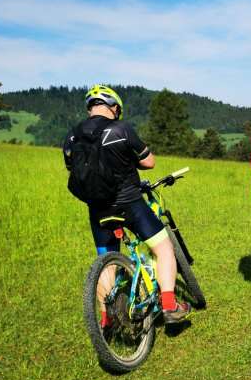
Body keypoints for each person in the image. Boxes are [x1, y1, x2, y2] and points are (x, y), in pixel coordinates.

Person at [63, 85, 189, 325]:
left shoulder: (72, 136)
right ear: (113, 107)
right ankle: (169, 305)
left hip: (97, 209)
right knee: (164, 248)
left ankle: (106, 320)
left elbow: (73, 169)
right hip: (130, 203)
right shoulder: (121, 129)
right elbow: (149, 162)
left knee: (106, 261)